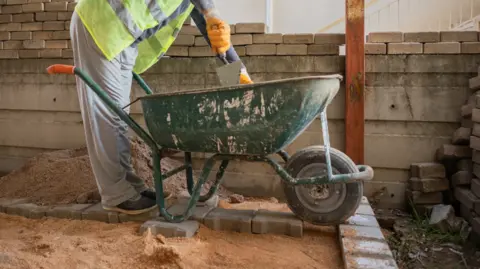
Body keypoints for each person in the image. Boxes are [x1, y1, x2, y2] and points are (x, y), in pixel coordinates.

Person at [70, 0, 253, 215]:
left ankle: (131, 187)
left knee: (119, 117)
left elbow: (212, 32)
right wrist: (212, 11)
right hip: (101, 23)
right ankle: (116, 194)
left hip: (125, 36)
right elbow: (208, 14)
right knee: (107, 115)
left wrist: (239, 76)